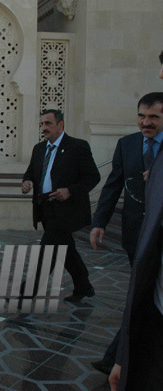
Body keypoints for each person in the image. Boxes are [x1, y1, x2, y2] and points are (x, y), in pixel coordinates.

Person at [90, 92, 163, 375]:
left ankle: (117, 358)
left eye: (154, 117)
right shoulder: (128, 144)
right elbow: (112, 185)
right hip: (136, 235)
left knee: (143, 296)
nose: (146, 122)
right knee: (141, 295)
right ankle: (120, 357)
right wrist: (99, 222)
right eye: (142, 116)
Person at [22, 109, 100, 302]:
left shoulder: (77, 146)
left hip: (66, 209)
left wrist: (70, 191)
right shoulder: (39, 149)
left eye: (48, 123)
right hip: (44, 208)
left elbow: (93, 176)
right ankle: (84, 286)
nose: (44, 128)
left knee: (47, 250)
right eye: (42, 124)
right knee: (66, 250)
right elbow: (31, 173)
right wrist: (27, 182)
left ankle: (25, 292)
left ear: (61, 125)